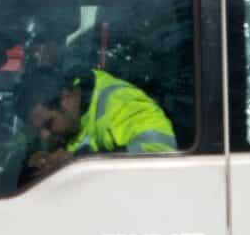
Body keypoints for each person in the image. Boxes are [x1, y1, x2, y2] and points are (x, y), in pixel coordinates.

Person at [19, 66, 177, 179]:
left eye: (48, 124)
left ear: (65, 99)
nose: (45, 136)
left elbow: (159, 154)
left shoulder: (122, 103)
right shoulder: (73, 117)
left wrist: (77, 160)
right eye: (39, 129)